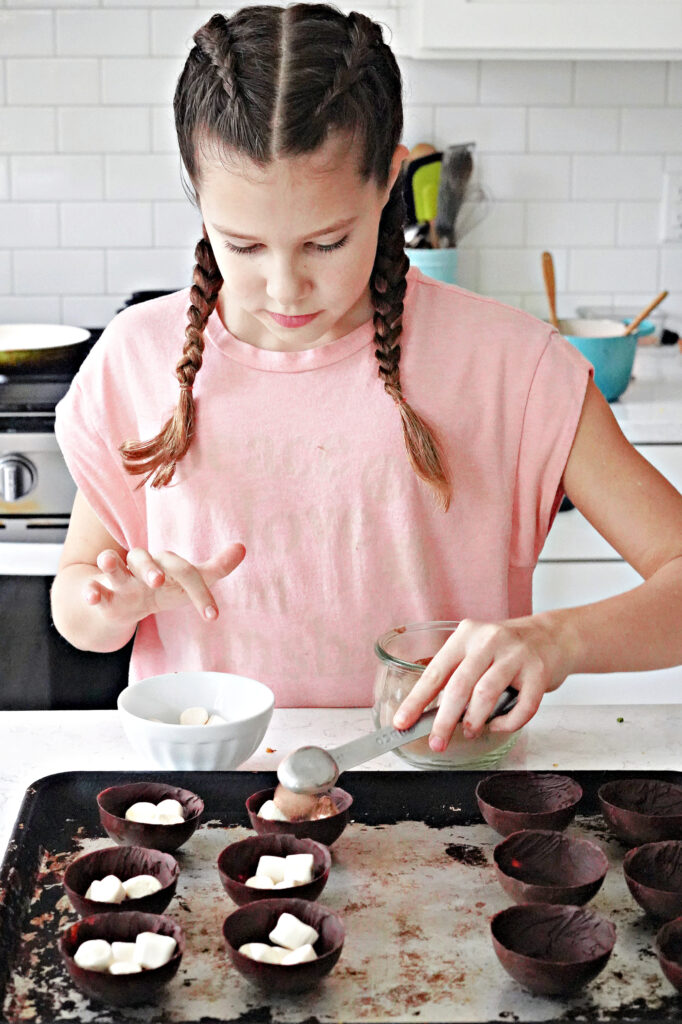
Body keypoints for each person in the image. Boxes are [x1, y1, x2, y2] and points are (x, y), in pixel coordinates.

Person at [51, 2, 682, 755]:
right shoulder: (135, 357)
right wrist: (112, 600)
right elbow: (75, 607)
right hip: (204, 800)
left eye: (326, 242)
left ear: (389, 181)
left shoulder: (513, 365)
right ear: (196, 192)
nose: (285, 287)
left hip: (442, 791)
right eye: (243, 245)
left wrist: (554, 641)